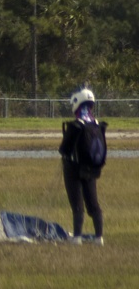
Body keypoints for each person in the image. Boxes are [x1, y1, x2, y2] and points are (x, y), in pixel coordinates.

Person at [58, 85, 106, 245]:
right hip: (92, 169)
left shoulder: (76, 124)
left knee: (77, 204)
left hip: (74, 169)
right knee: (93, 203)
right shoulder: (97, 124)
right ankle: (99, 237)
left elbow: (64, 149)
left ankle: (77, 237)